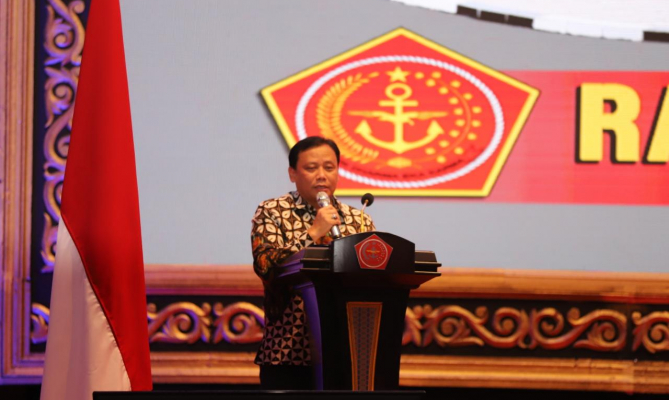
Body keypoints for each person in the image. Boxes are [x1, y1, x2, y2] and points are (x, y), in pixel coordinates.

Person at [251, 137, 375, 389]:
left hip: (347, 353)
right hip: (288, 352)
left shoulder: (357, 219)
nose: (321, 176)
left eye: (329, 168)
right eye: (311, 168)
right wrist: (313, 233)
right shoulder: (273, 211)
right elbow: (266, 266)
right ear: (293, 174)